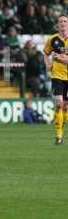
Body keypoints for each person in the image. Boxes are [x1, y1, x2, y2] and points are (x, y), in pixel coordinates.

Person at [43, 16, 68, 145]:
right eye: (60, 21)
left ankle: (61, 130)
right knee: (59, 103)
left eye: (65, 21)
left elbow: (64, 59)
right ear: (57, 24)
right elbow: (46, 53)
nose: (62, 23)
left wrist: (63, 59)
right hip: (57, 76)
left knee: (65, 107)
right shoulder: (52, 39)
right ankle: (58, 136)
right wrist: (48, 64)